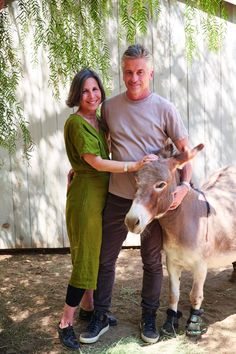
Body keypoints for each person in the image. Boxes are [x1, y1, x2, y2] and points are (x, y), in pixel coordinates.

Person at [79, 44, 192, 345]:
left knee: (152, 261)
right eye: (129, 72)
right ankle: (100, 316)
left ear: (150, 73)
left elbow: (185, 152)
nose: (134, 78)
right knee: (106, 259)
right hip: (118, 196)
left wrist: (184, 186)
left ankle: (148, 317)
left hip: (152, 204)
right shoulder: (110, 107)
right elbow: (101, 146)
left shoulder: (165, 108)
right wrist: (79, 167)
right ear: (123, 72)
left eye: (140, 72)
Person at [58, 68, 156, 351]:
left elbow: (90, 156)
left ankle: (89, 308)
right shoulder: (77, 123)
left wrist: (75, 166)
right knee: (87, 257)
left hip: (102, 192)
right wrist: (134, 166)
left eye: (95, 89)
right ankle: (65, 322)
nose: (92, 95)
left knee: (97, 253)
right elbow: (97, 162)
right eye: (85, 91)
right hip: (87, 197)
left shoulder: (98, 121)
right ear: (76, 94)